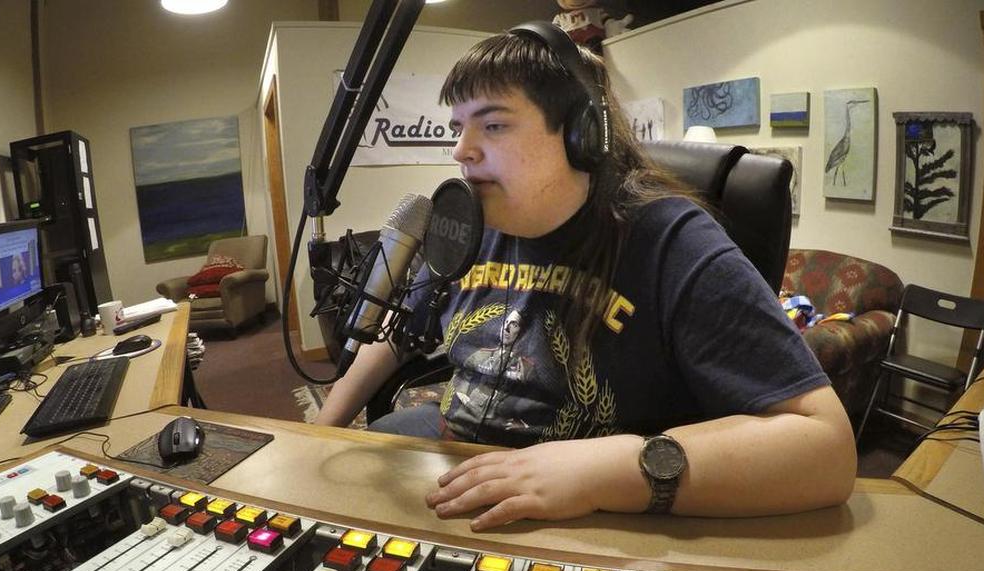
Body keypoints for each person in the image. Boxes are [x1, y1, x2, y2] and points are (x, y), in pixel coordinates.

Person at [315, 23, 856, 530]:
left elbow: (826, 449)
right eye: (459, 127)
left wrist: (612, 470)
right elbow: (397, 334)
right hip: (461, 459)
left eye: (493, 124)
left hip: (591, 508)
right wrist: (317, 436)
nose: (461, 150)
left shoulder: (672, 240)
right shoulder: (470, 221)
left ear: (581, 135)